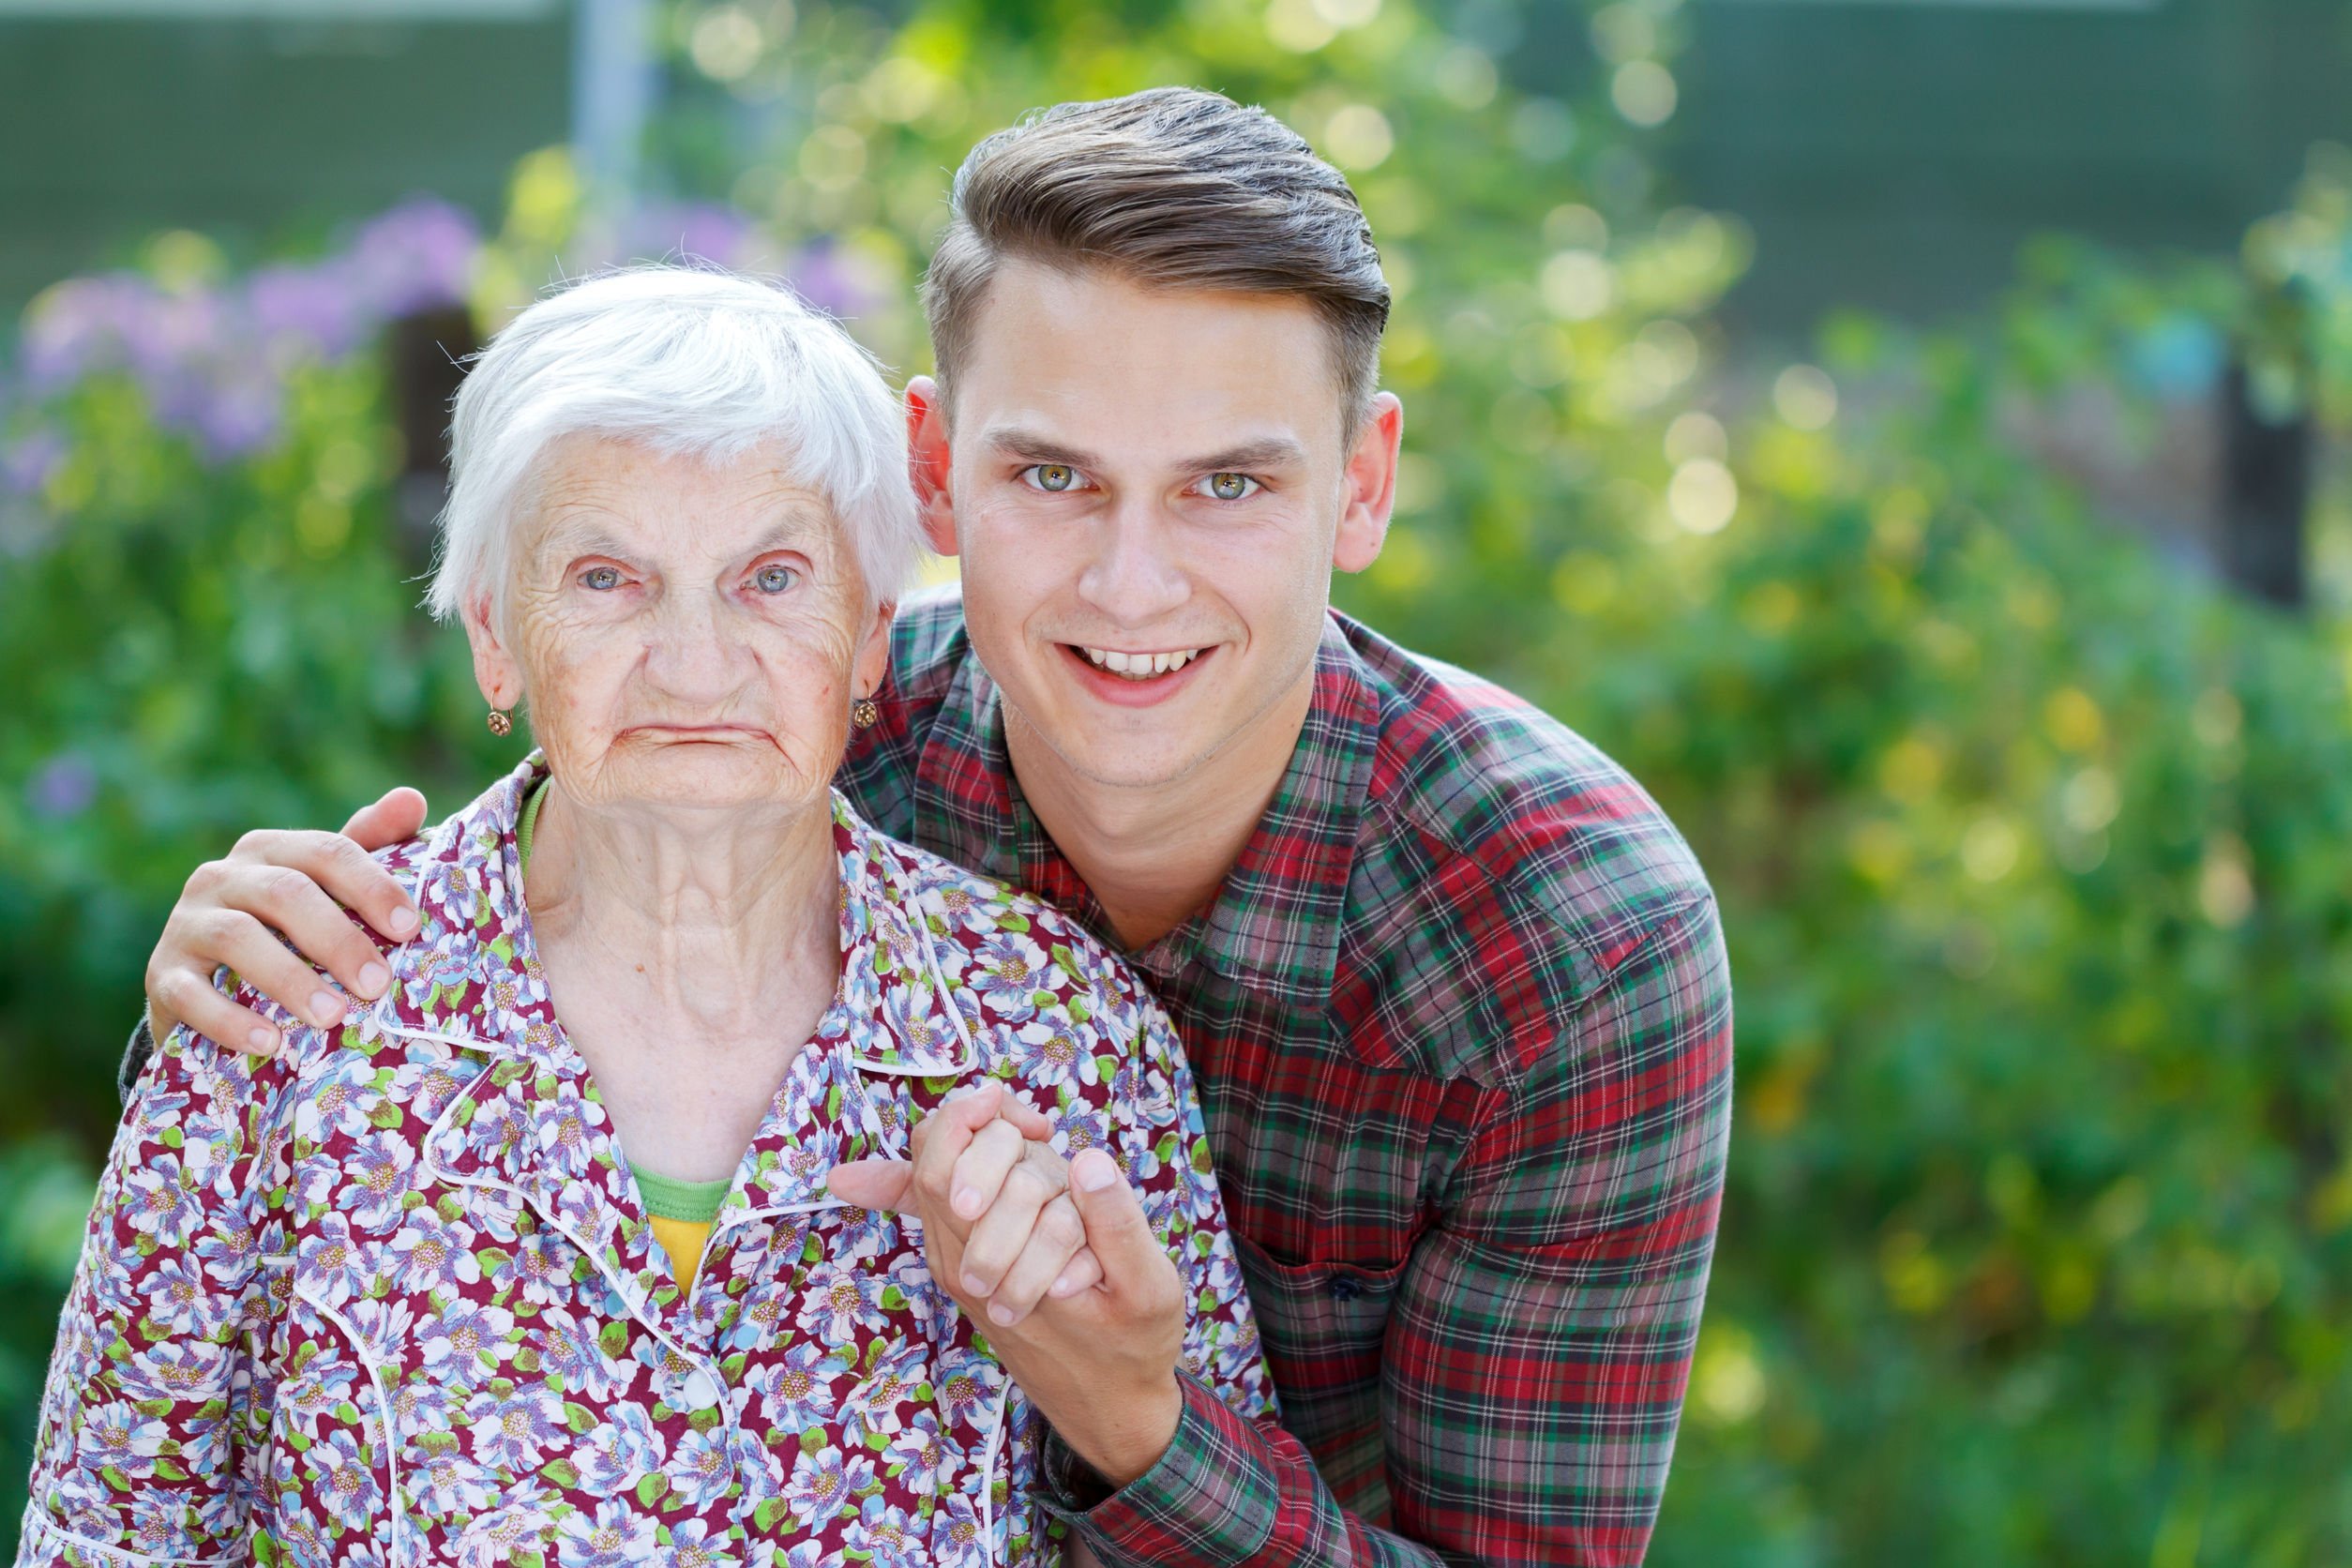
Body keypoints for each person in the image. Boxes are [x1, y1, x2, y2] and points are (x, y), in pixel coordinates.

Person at [124, 88, 1735, 1566]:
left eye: (1228, 487)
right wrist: (239, 1008)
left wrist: (1136, 1430)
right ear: (933, 478)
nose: (1131, 585)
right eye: (1053, 476)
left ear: (1363, 486)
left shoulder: (1569, 940)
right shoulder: (792, 728)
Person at [23, 265, 1269, 1568]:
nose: (694, 659)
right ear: (498, 638)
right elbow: (108, 1537)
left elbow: (1192, 1520)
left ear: (867, 646)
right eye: (609, 578)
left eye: (772, 578)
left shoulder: (1059, 1033)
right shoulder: (288, 1007)